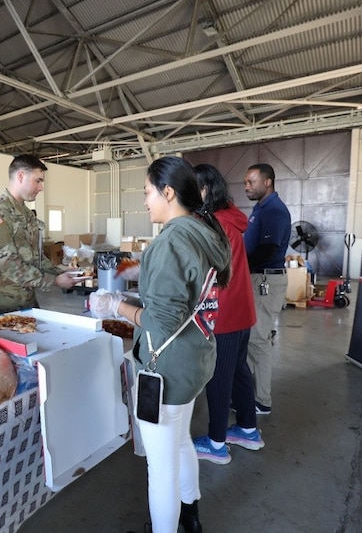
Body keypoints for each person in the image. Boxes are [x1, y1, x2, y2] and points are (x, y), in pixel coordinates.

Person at [91, 156, 232, 533]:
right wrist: (145, 272)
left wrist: (115, 305)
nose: (144, 201)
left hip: (166, 369)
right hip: (195, 361)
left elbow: (162, 321)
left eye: (147, 192)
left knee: (161, 465)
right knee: (180, 440)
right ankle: (191, 516)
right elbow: (185, 294)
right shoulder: (203, 231)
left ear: (168, 192)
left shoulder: (171, 240)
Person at [191, 163, 264, 465]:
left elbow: (204, 273)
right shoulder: (229, 217)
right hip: (242, 312)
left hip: (223, 314)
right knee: (237, 371)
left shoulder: (212, 224)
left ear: (205, 190)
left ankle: (217, 443)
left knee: (218, 378)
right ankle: (247, 429)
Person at [0, 154, 78, 315]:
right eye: (38, 181)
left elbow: (36, 257)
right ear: (21, 176)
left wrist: (62, 272)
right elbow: (9, 264)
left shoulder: (26, 214)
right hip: (2, 305)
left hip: (27, 301)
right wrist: (54, 281)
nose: (41, 187)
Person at [243, 163, 291, 415]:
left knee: (258, 339)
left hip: (265, 281)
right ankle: (250, 392)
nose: (247, 187)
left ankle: (262, 400)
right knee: (251, 338)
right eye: (246, 183)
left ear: (268, 182)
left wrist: (238, 265)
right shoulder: (260, 208)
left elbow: (268, 251)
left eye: (251, 182)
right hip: (256, 278)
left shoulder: (274, 211)